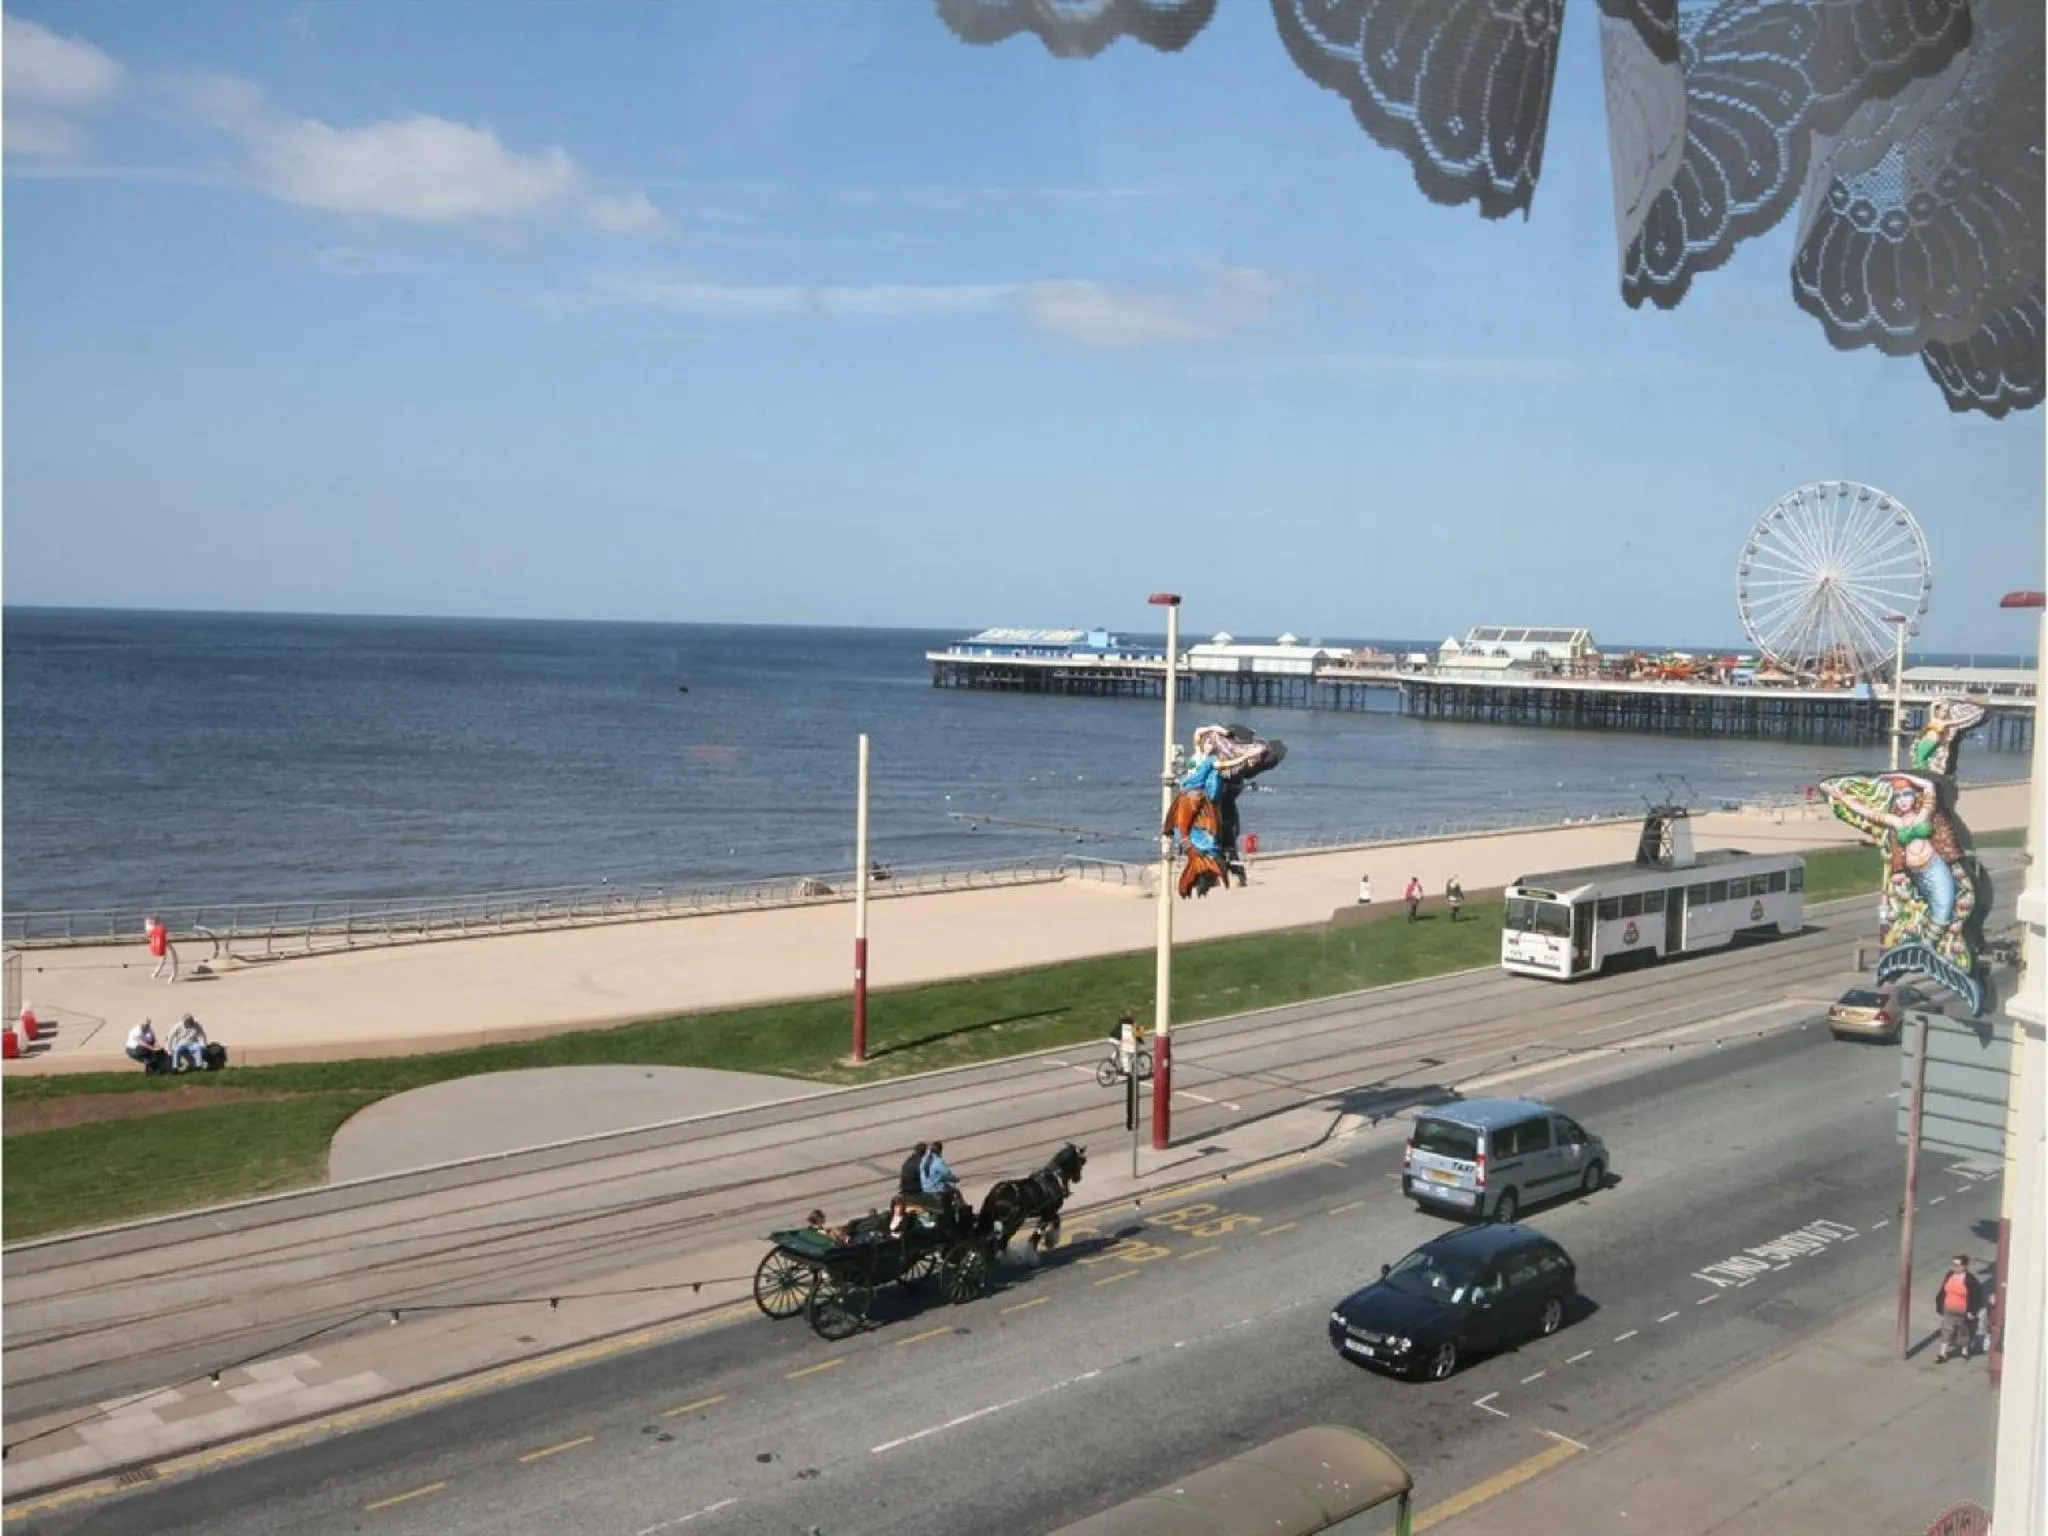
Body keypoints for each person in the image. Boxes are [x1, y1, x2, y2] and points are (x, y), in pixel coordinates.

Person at [1934, 1254, 1985, 1362]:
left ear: (1964, 1266)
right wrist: (1939, 1304)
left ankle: (1965, 1350)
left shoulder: (1970, 1280)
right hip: (1949, 1308)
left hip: (1963, 1310)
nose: (1954, 1267)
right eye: (1953, 1264)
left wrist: (1972, 1311)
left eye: (1957, 1265)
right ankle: (1942, 1354)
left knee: (1962, 1331)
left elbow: (1976, 1296)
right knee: (1947, 1330)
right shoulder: (1949, 1275)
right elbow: (1943, 1290)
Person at [146, 916, 178, 983]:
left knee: (165, 957)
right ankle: (172, 975)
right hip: (163, 942)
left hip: (161, 942)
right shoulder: (158, 927)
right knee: (173, 957)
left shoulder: (151, 927)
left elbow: (149, 936)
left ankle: (156, 973)